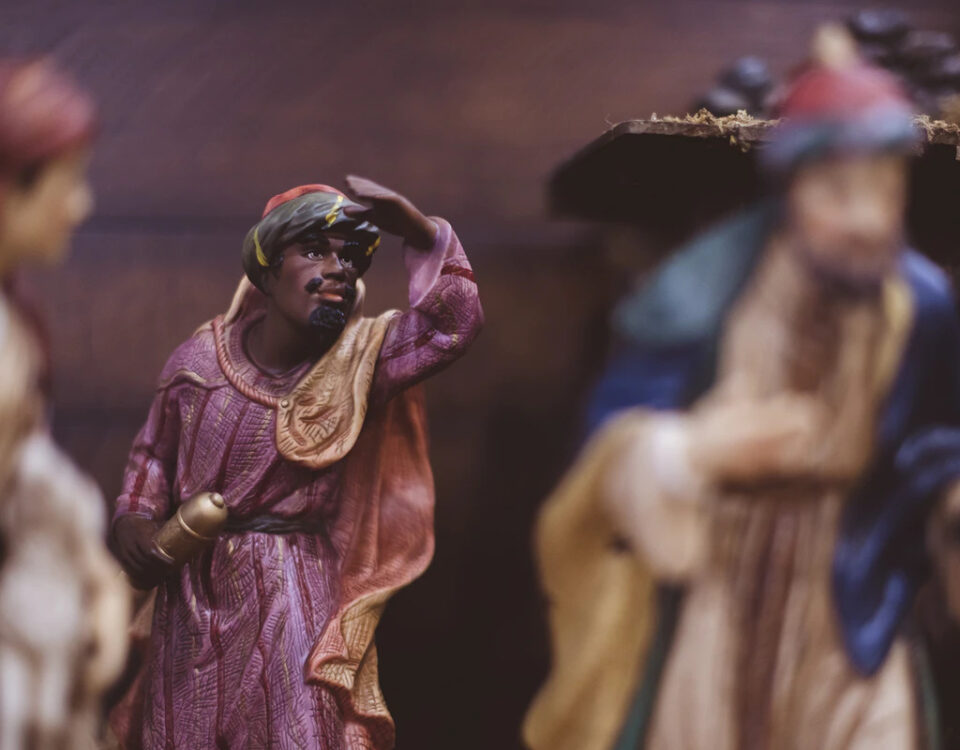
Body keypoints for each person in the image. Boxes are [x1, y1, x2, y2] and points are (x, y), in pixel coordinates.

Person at [525, 28, 960, 750]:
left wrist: (947, 495)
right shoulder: (703, 294)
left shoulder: (921, 307)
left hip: (857, 595)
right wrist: (693, 453)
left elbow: (934, 438)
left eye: (885, 190)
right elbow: (608, 440)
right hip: (718, 587)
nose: (866, 219)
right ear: (791, 189)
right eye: (840, 192)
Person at [110, 177, 483, 749]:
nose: (338, 270)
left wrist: (419, 230)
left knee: (301, 727)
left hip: (294, 594)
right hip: (192, 594)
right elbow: (154, 455)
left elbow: (451, 326)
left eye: (350, 258)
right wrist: (135, 518)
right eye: (313, 251)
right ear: (266, 269)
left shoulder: (360, 364)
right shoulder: (199, 364)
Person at [0, 59, 129, 749]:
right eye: (66, 181)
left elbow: (38, 478)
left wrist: (96, 578)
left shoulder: (14, 329)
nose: (79, 205)